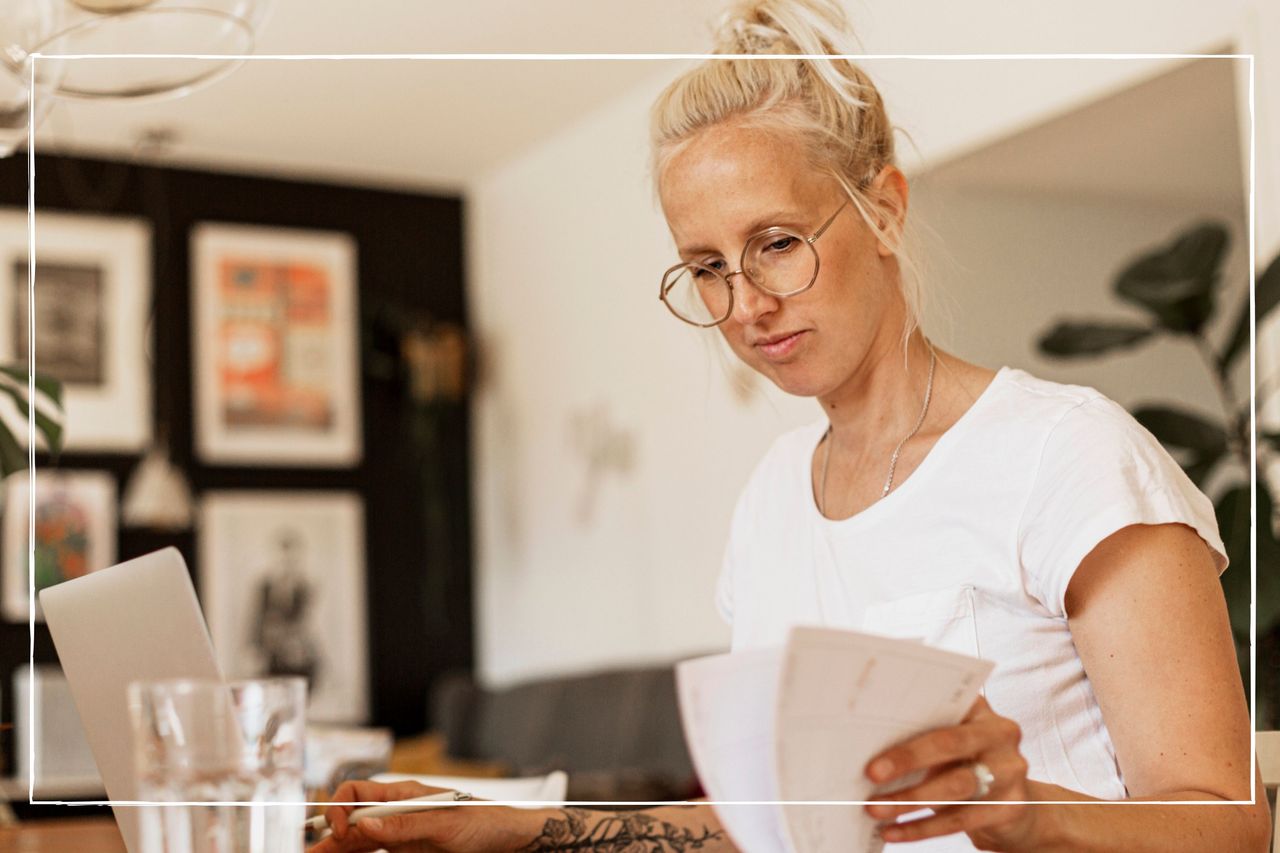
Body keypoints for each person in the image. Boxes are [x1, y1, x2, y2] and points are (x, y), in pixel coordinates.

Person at [310, 1, 1271, 850]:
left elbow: (1228, 821)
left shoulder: (1068, 455)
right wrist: (502, 824)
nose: (746, 302)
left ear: (884, 210)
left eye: (776, 243)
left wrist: (1020, 814)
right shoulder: (773, 498)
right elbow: (767, 821)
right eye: (708, 266)